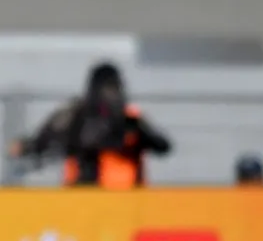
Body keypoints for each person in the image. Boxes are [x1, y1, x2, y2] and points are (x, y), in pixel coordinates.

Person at [11, 63, 171, 188]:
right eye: (107, 88)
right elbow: (44, 139)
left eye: (115, 88)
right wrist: (26, 147)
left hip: (128, 200)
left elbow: (163, 146)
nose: (111, 95)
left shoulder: (131, 119)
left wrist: (137, 133)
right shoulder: (75, 115)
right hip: (84, 197)